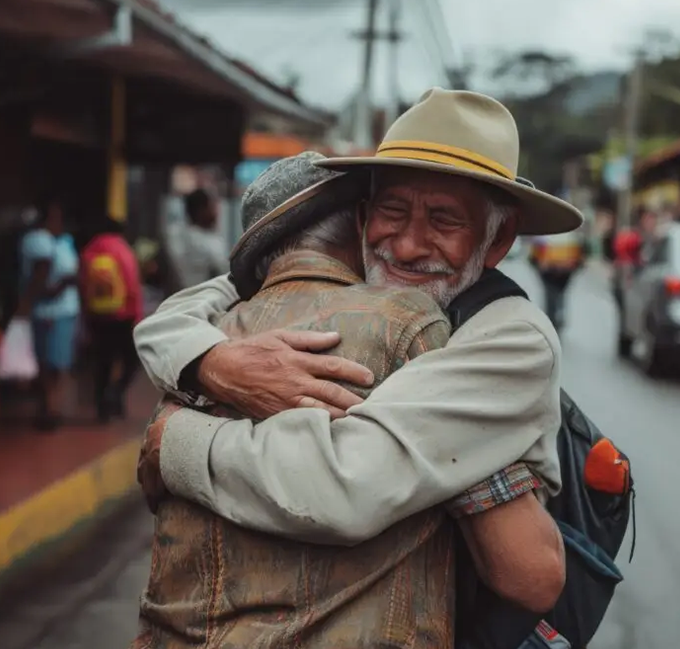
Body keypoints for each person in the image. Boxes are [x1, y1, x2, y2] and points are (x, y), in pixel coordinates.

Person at [134, 89, 584, 646]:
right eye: (392, 211)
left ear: (499, 239)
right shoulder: (360, 283)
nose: (408, 245)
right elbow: (180, 312)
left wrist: (176, 442)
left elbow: (343, 486)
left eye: (444, 220)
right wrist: (213, 361)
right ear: (364, 216)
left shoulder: (512, 337)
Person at [18, 198, 80, 430]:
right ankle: (49, 408)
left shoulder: (61, 241)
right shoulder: (39, 240)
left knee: (56, 362)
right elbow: (41, 274)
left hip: (62, 311)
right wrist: (57, 287)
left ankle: (51, 407)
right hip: (49, 311)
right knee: (49, 363)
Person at [80, 217, 143, 421]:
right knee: (132, 358)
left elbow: (83, 284)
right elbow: (132, 285)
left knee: (102, 361)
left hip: (96, 315)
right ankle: (115, 393)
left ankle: (102, 406)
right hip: (122, 314)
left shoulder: (89, 251)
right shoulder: (122, 250)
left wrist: (86, 313)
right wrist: (137, 314)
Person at [528, 229, 588, 330]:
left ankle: (556, 320)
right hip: (549, 271)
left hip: (563, 271)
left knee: (559, 296)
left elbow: (579, 254)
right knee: (551, 296)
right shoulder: (544, 232)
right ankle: (552, 321)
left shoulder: (571, 229)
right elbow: (535, 254)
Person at [174, 188, 228, 288]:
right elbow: (224, 271)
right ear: (201, 210)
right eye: (212, 207)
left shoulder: (181, 236)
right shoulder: (201, 242)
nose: (216, 213)